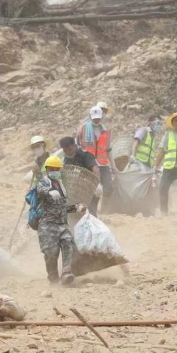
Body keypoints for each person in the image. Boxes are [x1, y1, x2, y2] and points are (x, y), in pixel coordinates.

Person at [35, 155, 87, 285]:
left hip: (62, 224)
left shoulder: (61, 186)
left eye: (57, 169)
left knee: (68, 243)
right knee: (51, 253)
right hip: (47, 225)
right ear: (46, 169)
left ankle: (66, 272)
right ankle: (53, 277)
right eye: (52, 169)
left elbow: (63, 207)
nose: (55, 171)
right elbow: (39, 191)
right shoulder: (43, 183)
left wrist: (76, 207)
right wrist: (48, 192)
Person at [76, 106, 112, 201]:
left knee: (108, 184)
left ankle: (104, 205)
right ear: (90, 117)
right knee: (90, 186)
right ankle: (91, 205)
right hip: (88, 162)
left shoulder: (105, 130)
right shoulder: (83, 128)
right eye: (94, 118)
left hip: (102, 162)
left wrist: (113, 166)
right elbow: (77, 144)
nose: (96, 120)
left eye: (98, 118)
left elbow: (108, 148)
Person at [59, 136, 102, 216]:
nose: (68, 152)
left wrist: (96, 183)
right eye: (66, 151)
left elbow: (95, 168)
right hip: (76, 190)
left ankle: (92, 219)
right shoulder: (66, 160)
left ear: (74, 145)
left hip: (90, 187)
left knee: (91, 211)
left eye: (70, 149)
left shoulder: (85, 155)